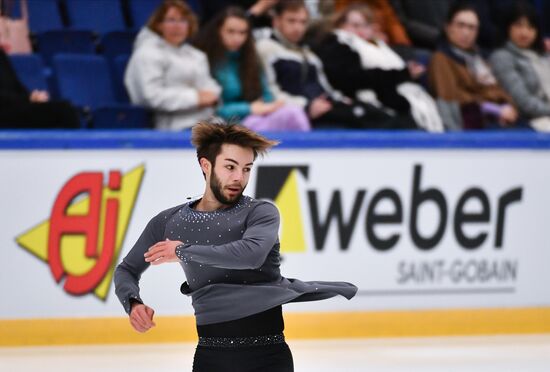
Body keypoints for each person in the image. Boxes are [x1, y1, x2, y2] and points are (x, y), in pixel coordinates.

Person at [114, 121, 357, 371]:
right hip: (211, 357)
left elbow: (250, 255)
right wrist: (133, 302)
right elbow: (126, 270)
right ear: (205, 166)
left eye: (247, 169)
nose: (239, 178)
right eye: (230, 167)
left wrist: (182, 251)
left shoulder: (260, 212)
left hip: (268, 357)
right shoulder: (170, 221)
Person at [256, 0, 417, 129]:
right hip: (300, 112)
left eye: (302, 22)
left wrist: (339, 98)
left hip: (326, 106)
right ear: (276, 21)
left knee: (379, 115)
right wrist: (307, 106)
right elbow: (270, 92)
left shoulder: (308, 53)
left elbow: (324, 86)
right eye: (291, 21)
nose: (298, 27)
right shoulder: (265, 48)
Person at [314, 4, 443, 132]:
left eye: (365, 26)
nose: (360, 31)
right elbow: (353, 78)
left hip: (393, 106)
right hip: (363, 109)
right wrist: (402, 74)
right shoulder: (339, 43)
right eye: (355, 25)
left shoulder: (379, 47)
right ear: (340, 25)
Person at [194, 6, 310, 132]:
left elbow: (266, 95)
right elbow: (212, 107)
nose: (237, 38)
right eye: (231, 32)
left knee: (292, 111)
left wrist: (268, 106)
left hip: (256, 118)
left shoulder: (251, 58)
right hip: (225, 125)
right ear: (218, 31)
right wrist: (249, 108)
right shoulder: (204, 60)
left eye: (242, 33)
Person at [124, 0, 221, 131]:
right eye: (171, 20)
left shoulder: (196, 55)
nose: (177, 26)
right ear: (158, 24)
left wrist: (211, 96)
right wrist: (195, 98)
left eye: (183, 20)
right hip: (172, 125)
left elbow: (210, 89)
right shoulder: (147, 53)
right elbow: (151, 97)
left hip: (206, 121)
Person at [427, 2, 518, 130]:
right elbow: (451, 97)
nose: (466, 32)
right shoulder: (441, 58)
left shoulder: (479, 58)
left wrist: (508, 107)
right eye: (461, 25)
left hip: (499, 121)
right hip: (471, 126)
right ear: (448, 27)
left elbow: (497, 89)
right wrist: (491, 108)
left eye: (472, 28)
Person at [489, 1, 550, 132]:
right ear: (508, 27)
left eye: (530, 27)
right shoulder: (502, 57)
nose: (524, 32)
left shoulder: (543, 57)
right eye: (518, 25)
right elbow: (523, 102)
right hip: (528, 123)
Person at [0, 47, 79, 129]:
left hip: (14, 106)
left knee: (66, 108)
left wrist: (33, 96)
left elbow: (17, 85)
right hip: (4, 110)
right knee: (63, 111)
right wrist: (28, 98)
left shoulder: (1, 55)